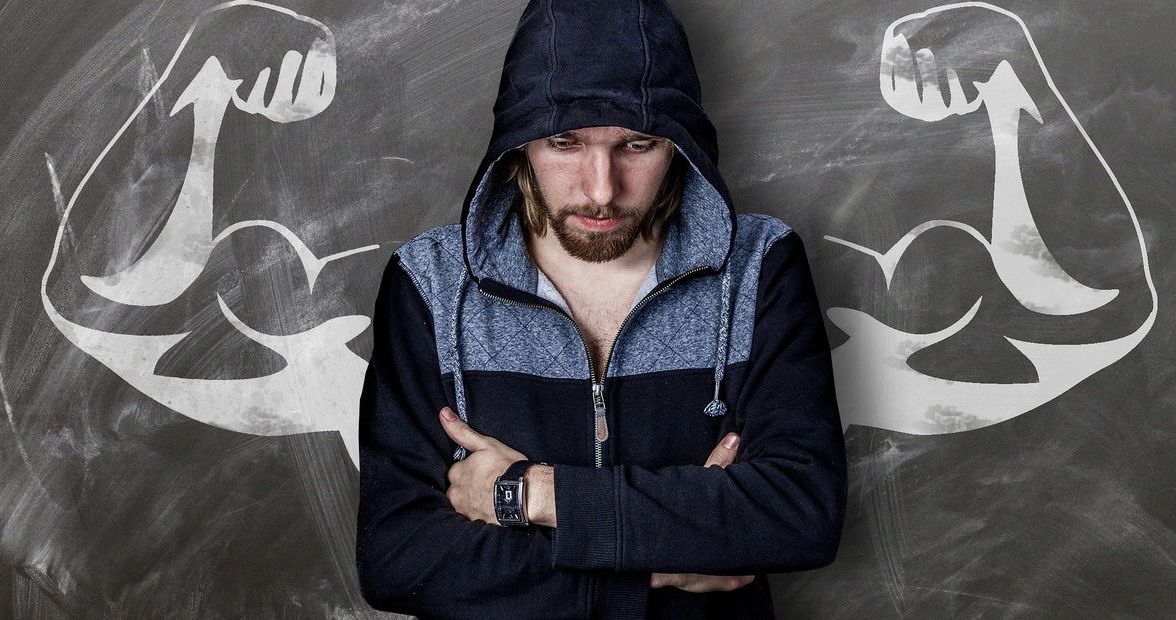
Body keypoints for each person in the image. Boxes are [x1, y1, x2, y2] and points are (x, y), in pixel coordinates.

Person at [355, 1, 846, 618]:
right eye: (565, 143)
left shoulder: (760, 266)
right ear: (518, 143)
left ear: (679, 144)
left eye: (636, 145)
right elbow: (400, 559)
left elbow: (799, 514)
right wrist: (650, 568)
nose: (601, 189)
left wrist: (533, 495)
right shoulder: (429, 280)